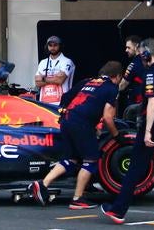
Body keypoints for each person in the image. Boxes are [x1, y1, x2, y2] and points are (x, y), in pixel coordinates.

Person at [102, 38, 154, 226]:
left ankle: (118, 210)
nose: (141, 58)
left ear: (147, 54)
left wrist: (147, 131)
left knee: (134, 168)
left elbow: (153, 101)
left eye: (141, 55)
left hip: (153, 125)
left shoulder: (151, 73)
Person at [30, 61, 123, 210]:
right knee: (91, 161)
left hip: (66, 120)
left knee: (71, 159)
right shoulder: (111, 88)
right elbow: (107, 117)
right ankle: (77, 199)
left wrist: (66, 113)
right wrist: (116, 136)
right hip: (81, 124)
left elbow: (66, 97)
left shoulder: (88, 81)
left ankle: (41, 185)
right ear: (117, 76)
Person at [34, 35, 75, 106]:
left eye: (55, 45)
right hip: (44, 103)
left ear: (60, 46)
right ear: (47, 47)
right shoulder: (43, 62)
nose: (52, 47)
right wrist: (54, 79)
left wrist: (43, 78)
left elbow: (59, 80)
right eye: (50, 45)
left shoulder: (67, 61)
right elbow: (37, 82)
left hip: (62, 103)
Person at [119, 35, 146, 114]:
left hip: (137, 107)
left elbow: (121, 86)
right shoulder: (150, 61)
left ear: (137, 46)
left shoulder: (134, 64)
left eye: (128, 47)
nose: (126, 50)